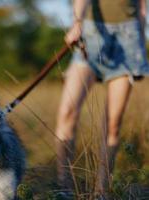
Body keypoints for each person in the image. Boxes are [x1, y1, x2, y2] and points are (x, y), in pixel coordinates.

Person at [55, 0, 148, 197]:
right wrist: (77, 21)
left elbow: (141, 5)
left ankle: (101, 190)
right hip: (91, 32)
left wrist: (140, 36)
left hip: (129, 37)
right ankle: (64, 188)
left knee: (112, 123)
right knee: (67, 112)